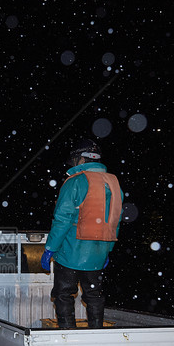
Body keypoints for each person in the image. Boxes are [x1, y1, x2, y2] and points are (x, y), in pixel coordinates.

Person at [40, 139, 122, 329]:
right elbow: (115, 220)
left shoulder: (75, 182)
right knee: (94, 295)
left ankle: (68, 334)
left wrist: (50, 248)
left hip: (71, 250)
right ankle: (96, 332)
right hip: (99, 252)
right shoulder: (114, 184)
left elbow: (62, 220)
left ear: (81, 159)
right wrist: (108, 249)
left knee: (63, 294)